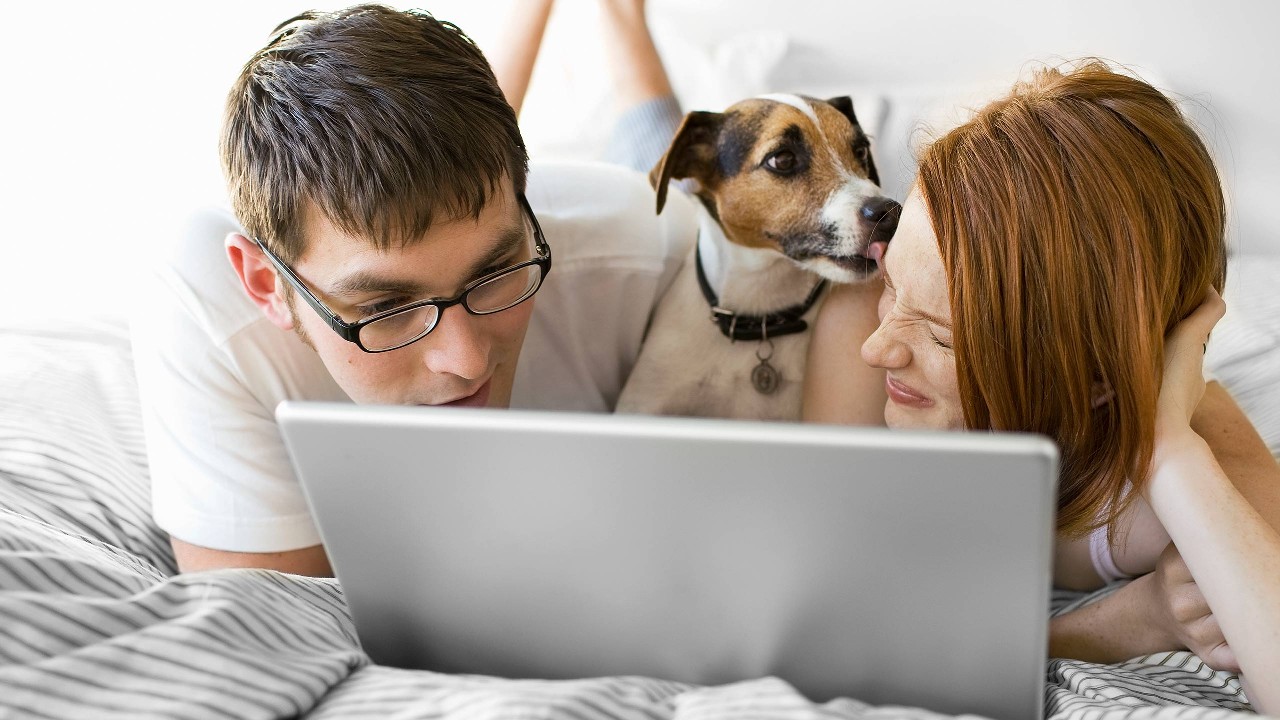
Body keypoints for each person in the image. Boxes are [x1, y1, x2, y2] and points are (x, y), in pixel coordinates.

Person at [131, 4, 701, 576]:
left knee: (672, 167)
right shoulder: (202, 308)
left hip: (649, 214)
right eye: (388, 307)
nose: (468, 361)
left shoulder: (655, 246)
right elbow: (268, 620)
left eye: (495, 272)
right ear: (265, 285)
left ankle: (622, 24)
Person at [804, 61, 1280, 710]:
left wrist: (1168, 447)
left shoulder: (1194, 452)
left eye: (943, 338)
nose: (877, 347)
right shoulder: (860, 318)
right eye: (892, 286)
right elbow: (832, 610)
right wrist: (1123, 624)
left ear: (1094, 383)